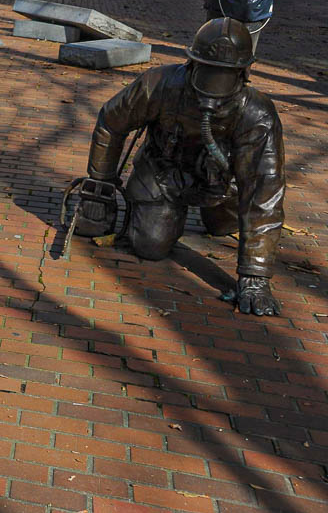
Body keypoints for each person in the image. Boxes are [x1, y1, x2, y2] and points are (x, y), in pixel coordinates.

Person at [74, 17, 285, 317]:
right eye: (208, 74)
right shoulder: (158, 85)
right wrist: (100, 186)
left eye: (223, 77)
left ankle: (216, 213)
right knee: (149, 246)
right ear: (191, 65)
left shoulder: (257, 115)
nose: (213, 88)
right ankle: (163, 212)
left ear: (243, 73)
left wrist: (256, 276)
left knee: (223, 226)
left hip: (222, 186)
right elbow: (111, 121)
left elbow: (265, 192)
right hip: (163, 176)